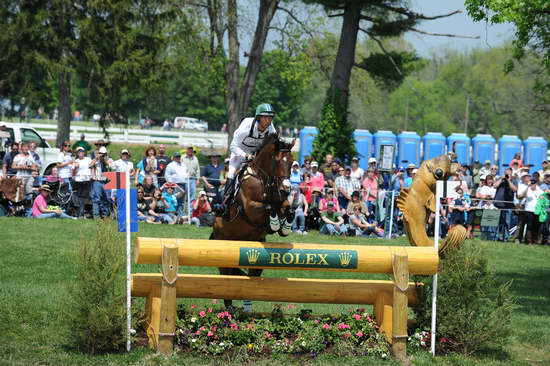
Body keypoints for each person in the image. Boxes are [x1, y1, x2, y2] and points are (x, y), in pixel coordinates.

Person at [218, 103, 277, 219]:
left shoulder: (271, 129)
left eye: (270, 118)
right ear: (258, 118)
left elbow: (275, 143)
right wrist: (245, 156)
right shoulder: (246, 128)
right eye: (265, 117)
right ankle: (225, 205)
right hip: (239, 152)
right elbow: (233, 146)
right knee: (231, 172)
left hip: (255, 154)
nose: (268, 120)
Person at [90, 146, 112, 219]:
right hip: (98, 181)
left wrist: (104, 160)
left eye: (104, 154)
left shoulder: (109, 160)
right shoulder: (96, 160)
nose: (102, 155)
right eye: (101, 153)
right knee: (96, 199)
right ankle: (96, 215)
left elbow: (110, 166)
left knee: (107, 199)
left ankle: (105, 215)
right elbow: (90, 165)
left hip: (106, 182)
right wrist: (96, 158)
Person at [165, 151, 188, 216]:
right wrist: (171, 184)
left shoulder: (183, 165)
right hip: (175, 185)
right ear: (174, 157)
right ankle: (174, 213)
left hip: (183, 184)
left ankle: (180, 212)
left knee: (182, 201)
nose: (178, 158)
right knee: (175, 199)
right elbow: (167, 175)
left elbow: (186, 173)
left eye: (179, 156)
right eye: (176, 157)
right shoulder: (170, 165)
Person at [72, 147, 93, 218]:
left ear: (84, 153)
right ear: (77, 154)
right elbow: (73, 172)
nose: (81, 153)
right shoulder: (76, 161)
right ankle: (80, 213)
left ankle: (83, 213)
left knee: (86, 197)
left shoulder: (88, 159)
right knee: (80, 198)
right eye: (79, 152)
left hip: (87, 180)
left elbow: (92, 166)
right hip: (78, 181)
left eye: (82, 152)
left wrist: (91, 175)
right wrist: (75, 167)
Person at [183, 146, 200, 214]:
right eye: (189, 149)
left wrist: (198, 179)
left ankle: (190, 213)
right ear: (186, 150)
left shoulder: (195, 158)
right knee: (184, 196)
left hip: (193, 179)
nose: (190, 150)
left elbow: (197, 170)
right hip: (184, 179)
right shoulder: (182, 157)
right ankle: (182, 212)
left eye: (191, 149)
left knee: (192, 197)